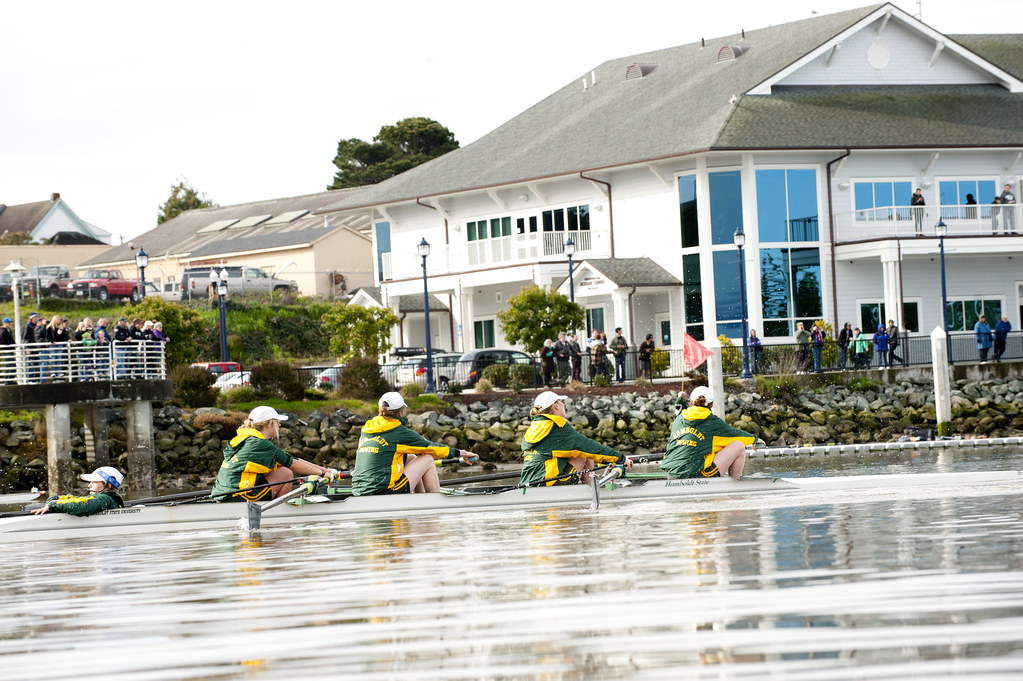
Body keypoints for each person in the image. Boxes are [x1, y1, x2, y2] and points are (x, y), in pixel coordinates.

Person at [352, 392, 476, 495]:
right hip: (384, 492)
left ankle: (419, 499)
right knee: (427, 459)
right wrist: (460, 453)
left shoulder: (367, 428)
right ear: (400, 412)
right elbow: (430, 448)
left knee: (411, 457)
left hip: (359, 491)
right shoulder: (398, 432)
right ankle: (435, 503)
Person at [211, 406, 337, 501]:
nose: (279, 425)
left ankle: (277, 508)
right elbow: (292, 464)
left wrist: (326, 471)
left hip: (223, 494)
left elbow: (291, 459)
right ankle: (280, 511)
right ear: (268, 424)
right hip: (237, 496)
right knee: (286, 473)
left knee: (279, 469)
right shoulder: (259, 444)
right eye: (277, 422)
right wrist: (322, 474)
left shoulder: (247, 439)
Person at [519, 391, 630, 486]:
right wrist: (620, 459)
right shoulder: (557, 428)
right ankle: (592, 488)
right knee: (583, 452)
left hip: (527, 482)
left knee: (579, 451)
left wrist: (605, 460)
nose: (563, 405)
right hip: (548, 484)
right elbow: (589, 446)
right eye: (561, 402)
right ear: (556, 406)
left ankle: (591, 485)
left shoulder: (533, 428)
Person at [662, 387, 762, 480]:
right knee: (739, 446)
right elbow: (735, 435)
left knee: (711, 446)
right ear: (712, 404)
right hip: (696, 476)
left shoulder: (679, 419)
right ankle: (735, 486)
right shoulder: (712, 421)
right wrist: (754, 439)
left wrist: (680, 399)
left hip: (671, 474)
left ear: (691, 402)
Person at [31, 466, 125, 516]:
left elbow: (82, 506)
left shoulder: (105, 499)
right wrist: (55, 499)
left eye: (94, 482)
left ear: (109, 485)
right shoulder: (105, 498)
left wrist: (54, 505)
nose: (89, 485)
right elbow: (80, 500)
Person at [0, 317, 14, 383]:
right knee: (10, 365)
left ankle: (9, 380)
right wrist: (12, 344)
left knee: (9, 365)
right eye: (8, 323)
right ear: (4, 323)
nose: (10, 324)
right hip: (6, 350)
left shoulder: (7, 330)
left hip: (9, 350)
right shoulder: (2, 331)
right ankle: (8, 380)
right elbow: (4, 341)